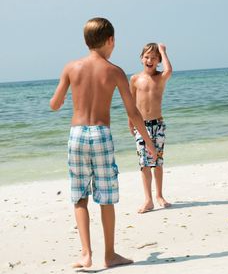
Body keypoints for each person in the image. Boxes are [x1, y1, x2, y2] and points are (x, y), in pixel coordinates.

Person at [50, 18, 157, 268]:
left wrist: (63, 99)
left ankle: (86, 254)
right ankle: (109, 255)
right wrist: (148, 141)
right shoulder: (115, 71)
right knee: (106, 197)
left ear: (86, 41)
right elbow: (133, 112)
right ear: (110, 40)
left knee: (80, 197)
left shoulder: (71, 67)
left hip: (76, 136)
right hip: (100, 134)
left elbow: (54, 104)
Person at [128, 43, 172, 213]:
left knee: (158, 162)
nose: (150, 60)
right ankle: (148, 200)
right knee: (144, 164)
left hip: (158, 125)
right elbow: (131, 102)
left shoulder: (160, 77)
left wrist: (163, 51)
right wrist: (130, 121)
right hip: (141, 126)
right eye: (147, 56)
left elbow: (169, 70)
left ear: (158, 61)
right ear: (141, 59)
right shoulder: (135, 79)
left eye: (154, 58)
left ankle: (159, 195)